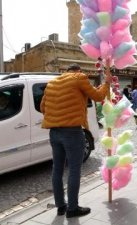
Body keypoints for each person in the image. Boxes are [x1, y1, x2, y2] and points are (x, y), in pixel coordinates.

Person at [40, 63, 111, 218]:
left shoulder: (52, 82)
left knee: (57, 169)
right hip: (72, 131)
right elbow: (98, 97)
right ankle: (72, 208)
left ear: (66, 71)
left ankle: (60, 206)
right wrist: (106, 83)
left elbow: (42, 108)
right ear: (78, 71)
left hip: (54, 132)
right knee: (74, 170)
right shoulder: (79, 77)